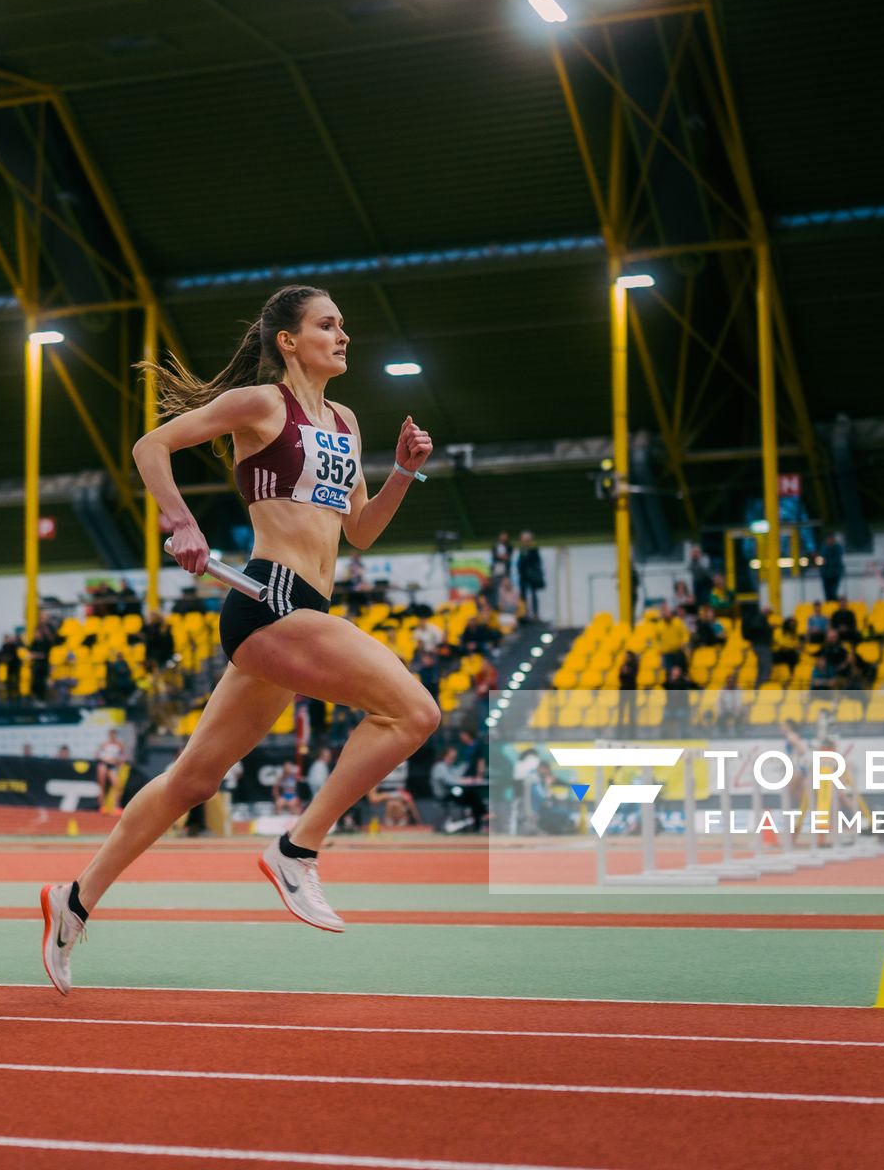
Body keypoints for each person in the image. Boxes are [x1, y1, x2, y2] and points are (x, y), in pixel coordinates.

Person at [41, 285, 437, 996]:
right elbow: (150, 444)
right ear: (288, 340)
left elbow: (359, 531)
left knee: (193, 780)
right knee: (414, 713)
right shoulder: (263, 405)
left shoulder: (345, 420)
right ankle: (297, 848)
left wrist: (404, 471)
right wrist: (180, 522)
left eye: (343, 325)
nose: (343, 335)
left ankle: (73, 900)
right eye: (327, 325)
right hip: (268, 602)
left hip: (304, 611)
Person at [516, 530, 546, 622]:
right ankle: (524, 614)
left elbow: (536, 563)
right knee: (523, 596)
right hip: (523, 577)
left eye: (527, 540)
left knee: (533, 595)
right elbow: (520, 564)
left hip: (531, 577)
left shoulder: (533, 550)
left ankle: (535, 614)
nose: (526, 542)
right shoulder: (521, 550)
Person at [95, 730, 127, 815]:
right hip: (104, 764)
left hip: (112, 766)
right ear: (109, 735)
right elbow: (97, 755)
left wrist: (118, 761)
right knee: (102, 785)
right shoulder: (104, 744)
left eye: (114, 734)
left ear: (116, 735)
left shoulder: (119, 744)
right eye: (111, 734)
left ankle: (116, 807)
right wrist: (105, 759)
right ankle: (102, 807)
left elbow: (123, 757)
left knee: (117, 785)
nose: (112, 736)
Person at [816, 532, 844, 602]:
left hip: (835, 574)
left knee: (833, 592)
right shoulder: (824, 548)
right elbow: (822, 560)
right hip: (826, 574)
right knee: (827, 593)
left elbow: (836, 560)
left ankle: (834, 603)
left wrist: (827, 562)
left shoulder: (838, 548)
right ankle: (829, 604)